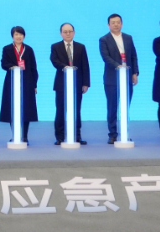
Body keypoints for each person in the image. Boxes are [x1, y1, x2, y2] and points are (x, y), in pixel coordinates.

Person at [99, 13, 139, 144]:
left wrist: (134, 73)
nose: (116, 24)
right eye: (113, 22)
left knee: (125, 107)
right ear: (108, 25)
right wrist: (118, 66)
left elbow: (133, 56)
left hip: (127, 77)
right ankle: (112, 134)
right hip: (112, 79)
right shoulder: (104, 39)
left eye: (118, 22)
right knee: (112, 108)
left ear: (121, 24)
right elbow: (105, 57)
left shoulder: (128, 38)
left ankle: (125, 133)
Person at [50, 22, 91, 145]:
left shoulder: (81, 47)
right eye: (65, 32)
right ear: (61, 34)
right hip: (61, 84)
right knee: (60, 111)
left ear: (74, 32)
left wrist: (85, 83)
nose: (68, 34)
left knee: (76, 111)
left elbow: (85, 65)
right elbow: (54, 61)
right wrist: (66, 67)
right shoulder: (55, 46)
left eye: (70, 31)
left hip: (77, 84)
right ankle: (60, 137)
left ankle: (77, 136)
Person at [0, 26, 38, 144]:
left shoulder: (29, 49)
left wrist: (34, 85)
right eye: (16, 34)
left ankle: (24, 136)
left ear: (24, 36)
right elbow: (3, 64)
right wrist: (14, 67)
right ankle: (15, 135)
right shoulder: (7, 49)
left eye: (20, 34)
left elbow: (33, 68)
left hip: (27, 83)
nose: (18, 36)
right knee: (12, 108)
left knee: (26, 109)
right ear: (12, 36)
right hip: (11, 82)